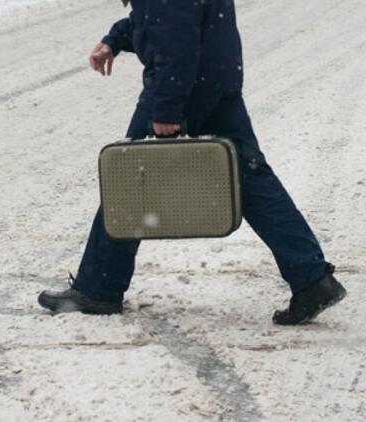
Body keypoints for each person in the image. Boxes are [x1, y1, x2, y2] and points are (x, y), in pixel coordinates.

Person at [37, 0, 347, 325]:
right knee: (251, 180)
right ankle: (311, 278)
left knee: (128, 181)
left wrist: (167, 110)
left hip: (184, 84)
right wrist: (116, 38)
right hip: (213, 80)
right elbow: (160, 21)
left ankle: (99, 286)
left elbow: (176, 35)